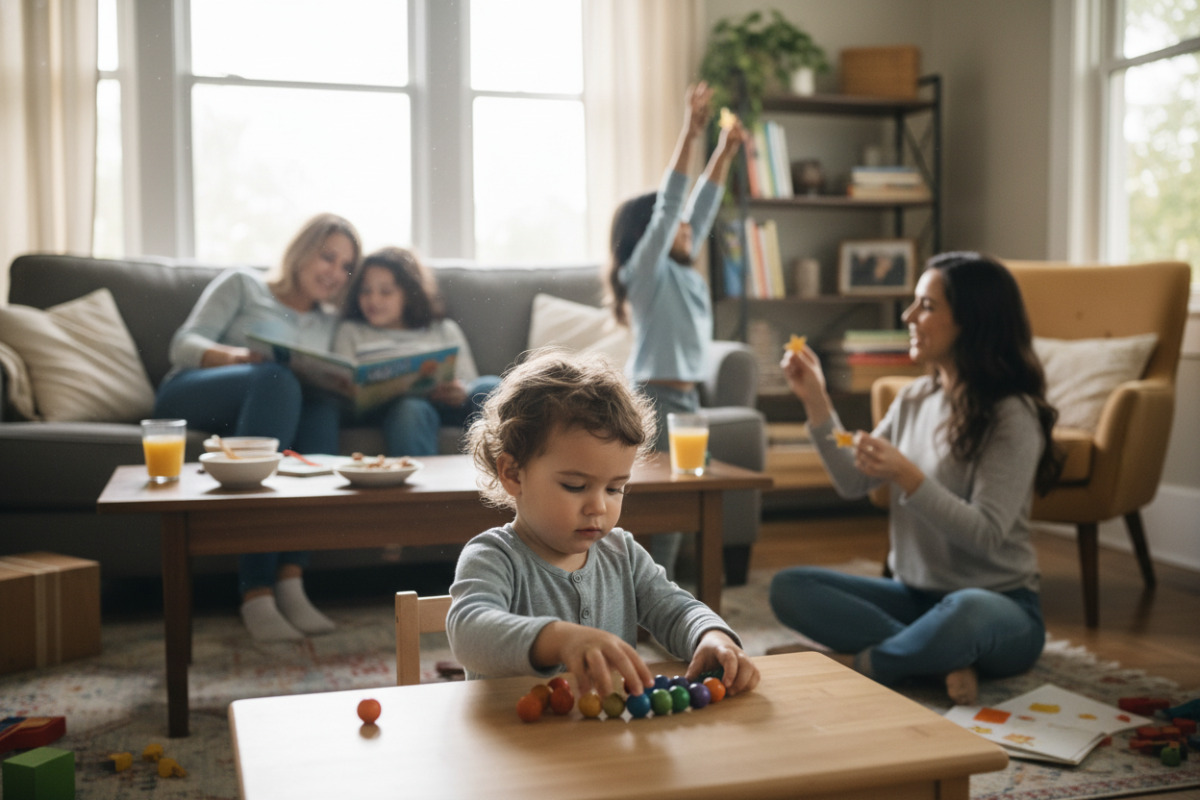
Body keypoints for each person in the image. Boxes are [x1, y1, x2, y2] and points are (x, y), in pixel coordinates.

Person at [769, 252, 1063, 705]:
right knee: (790, 587)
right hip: (914, 597)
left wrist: (909, 477)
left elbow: (985, 535)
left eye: (925, 305)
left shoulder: (1012, 415)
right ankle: (939, 658)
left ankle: (865, 665)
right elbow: (853, 481)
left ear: (972, 321)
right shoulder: (914, 398)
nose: (907, 316)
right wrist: (816, 399)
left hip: (999, 606)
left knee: (966, 612)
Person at [447, 350, 760, 699]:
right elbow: (468, 632)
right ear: (513, 473)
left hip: (608, 739)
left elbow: (676, 609)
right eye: (575, 486)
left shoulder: (622, 553)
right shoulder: (491, 556)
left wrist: (711, 636)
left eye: (615, 488)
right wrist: (559, 640)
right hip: (513, 742)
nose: (598, 506)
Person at [155, 212, 361, 642]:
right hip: (197, 391)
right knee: (275, 377)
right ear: (302, 251)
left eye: (345, 266)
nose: (335, 273)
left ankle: (290, 578)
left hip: (274, 405)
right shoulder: (243, 284)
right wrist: (237, 358)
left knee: (322, 406)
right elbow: (183, 344)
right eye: (327, 257)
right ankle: (256, 591)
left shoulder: (328, 322)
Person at [603, 81, 747, 579]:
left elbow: (699, 207)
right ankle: (643, 601)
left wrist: (724, 152)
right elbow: (671, 208)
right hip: (652, 398)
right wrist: (691, 131)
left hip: (688, 402)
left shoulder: (685, 271)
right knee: (660, 507)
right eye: (673, 224)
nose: (686, 225)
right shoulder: (646, 275)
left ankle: (659, 601)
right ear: (648, 239)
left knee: (686, 503)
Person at [332, 246, 499, 457]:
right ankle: (422, 489)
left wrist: (459, 391)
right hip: (388, 411)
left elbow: (468, 380)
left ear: (409, 294)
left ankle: (502, 477)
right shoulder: (352, 331)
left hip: (444, 405)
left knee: (491, 386)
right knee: (412, 409)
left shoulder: (442, 329)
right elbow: (342, 385)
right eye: (366, 291)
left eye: (386, 292)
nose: (373, 300)